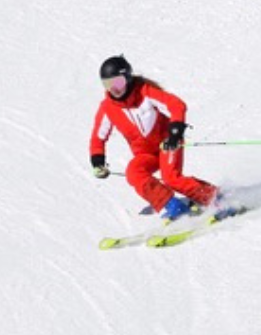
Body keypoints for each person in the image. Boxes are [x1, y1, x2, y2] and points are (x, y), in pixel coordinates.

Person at [88, 55, 220, 220]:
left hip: (168, 143)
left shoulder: (145, 92)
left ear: (127, 79)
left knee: (171, 178)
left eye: (118, 83)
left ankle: (215, 198)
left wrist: (175, 131)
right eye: (108, 84)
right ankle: (173, 205)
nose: (114, 89)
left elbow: (176, 105)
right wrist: (98, 161)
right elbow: (97, 138)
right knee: (134, 172)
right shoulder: (108, 108)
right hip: (145, 154)